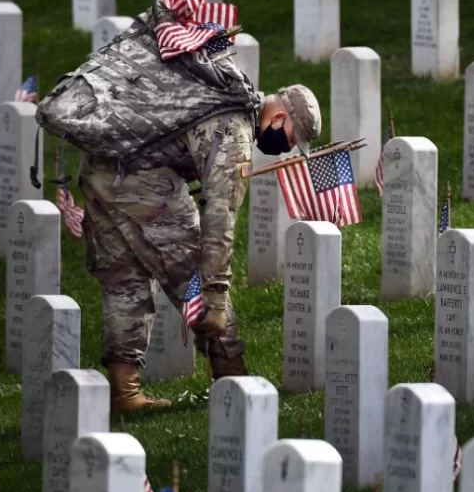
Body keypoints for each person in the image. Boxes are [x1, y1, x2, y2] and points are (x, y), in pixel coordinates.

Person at [78, 84, 321, 415]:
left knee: (125, 282)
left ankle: (125, 392)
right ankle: (235, 387)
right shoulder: (235, 130)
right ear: (279, 117)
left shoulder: (222, 95)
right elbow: (219, 220)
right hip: (143, 182)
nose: (288, 148)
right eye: (292, 138)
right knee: (195, 276)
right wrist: (216, 298)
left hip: (100, 168)